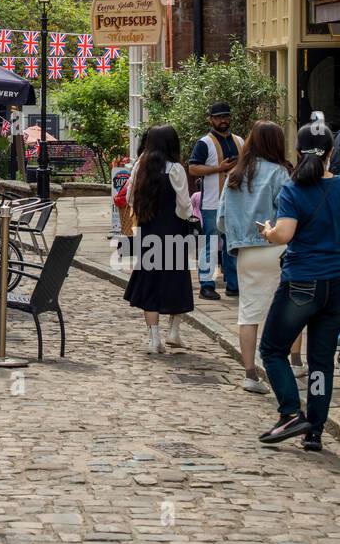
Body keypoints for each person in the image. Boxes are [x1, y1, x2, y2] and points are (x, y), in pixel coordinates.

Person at [258, 123, 340, 451]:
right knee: (321, 360)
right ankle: (315, 431)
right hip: (336, 285)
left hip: (302, 283)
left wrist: (268, 232)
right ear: (331, 152)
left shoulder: (293, 189)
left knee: (273, 349)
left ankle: (291, 411)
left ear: (298, 152)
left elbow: (285, 234)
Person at [217, 122, 293, 394]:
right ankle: (287, 366)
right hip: (275, 248)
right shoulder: (280, 173)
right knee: (283, 311)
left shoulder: (235, 174)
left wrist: (239, 235)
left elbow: (221, 221)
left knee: (247, 313)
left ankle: (250, 374)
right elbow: (289, 214)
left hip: (245, 253)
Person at [123, 124, 194, 354]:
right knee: (176, 280)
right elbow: (184, 205)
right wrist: (185, 217)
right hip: (173, 230)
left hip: (148, 231)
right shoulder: (176, 169)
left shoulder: (140, 167)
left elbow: (130, 198)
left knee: (150, 284)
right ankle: (174, 330)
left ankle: (154, 339)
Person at [187, 102, 243, 301]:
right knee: (210, 242)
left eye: (226, 116)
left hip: (235, 202)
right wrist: (218, 169)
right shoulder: (204, 143)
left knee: (234, 243)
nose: (223, 120)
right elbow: (193, 169)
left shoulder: (239, 141)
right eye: (218, 117)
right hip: (212, 202)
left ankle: (234, 284)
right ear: (210, 119)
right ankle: (207, 284)